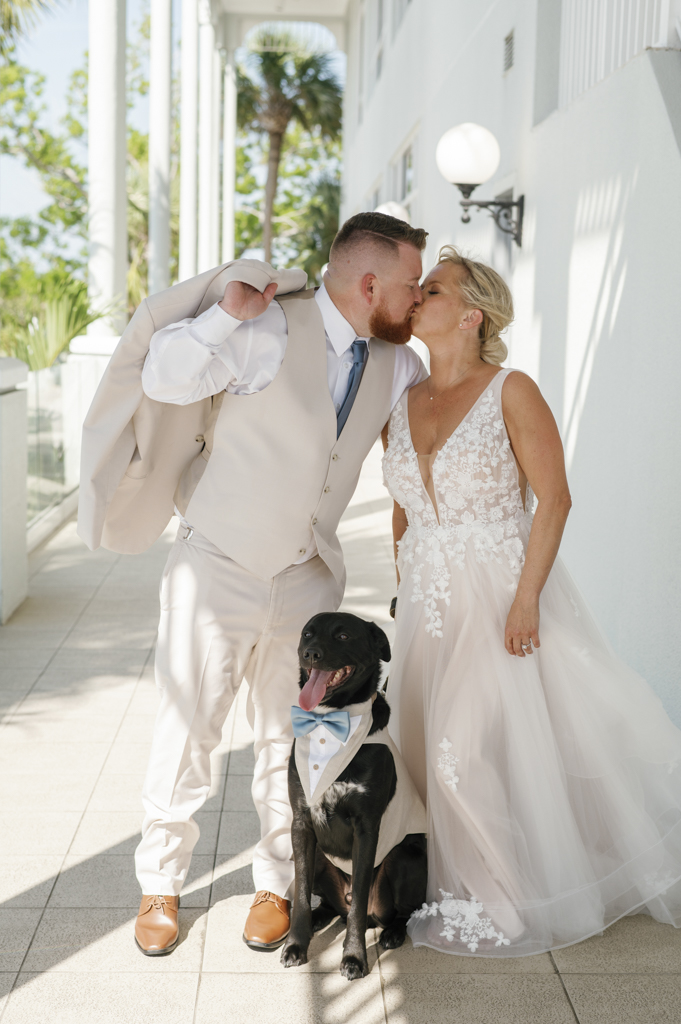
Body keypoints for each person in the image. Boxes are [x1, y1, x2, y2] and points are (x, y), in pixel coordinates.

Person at [79, 212, 429, 956]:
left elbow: (423, 453)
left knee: (292, 733)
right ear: (370, 284)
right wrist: (223, 320)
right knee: (189, 727)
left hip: (308, 577)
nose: (418, 298)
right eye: (410, 285)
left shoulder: (400, 365)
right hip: (218, 563)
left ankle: (275, 881)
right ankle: (161, 886)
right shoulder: (267, 325)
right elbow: (165, 376)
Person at [381, 244, 681, 957]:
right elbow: (401, 508)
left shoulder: (510, 389)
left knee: (461, 750)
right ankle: (472, 877)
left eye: (434, 288)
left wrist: (525, 600)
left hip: (498, 594)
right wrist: (401, 584)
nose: (417, 295)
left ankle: (504, 903)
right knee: (427, 749)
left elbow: (554, 499)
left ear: (470, 315)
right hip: (426, 599)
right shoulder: (403, 398)